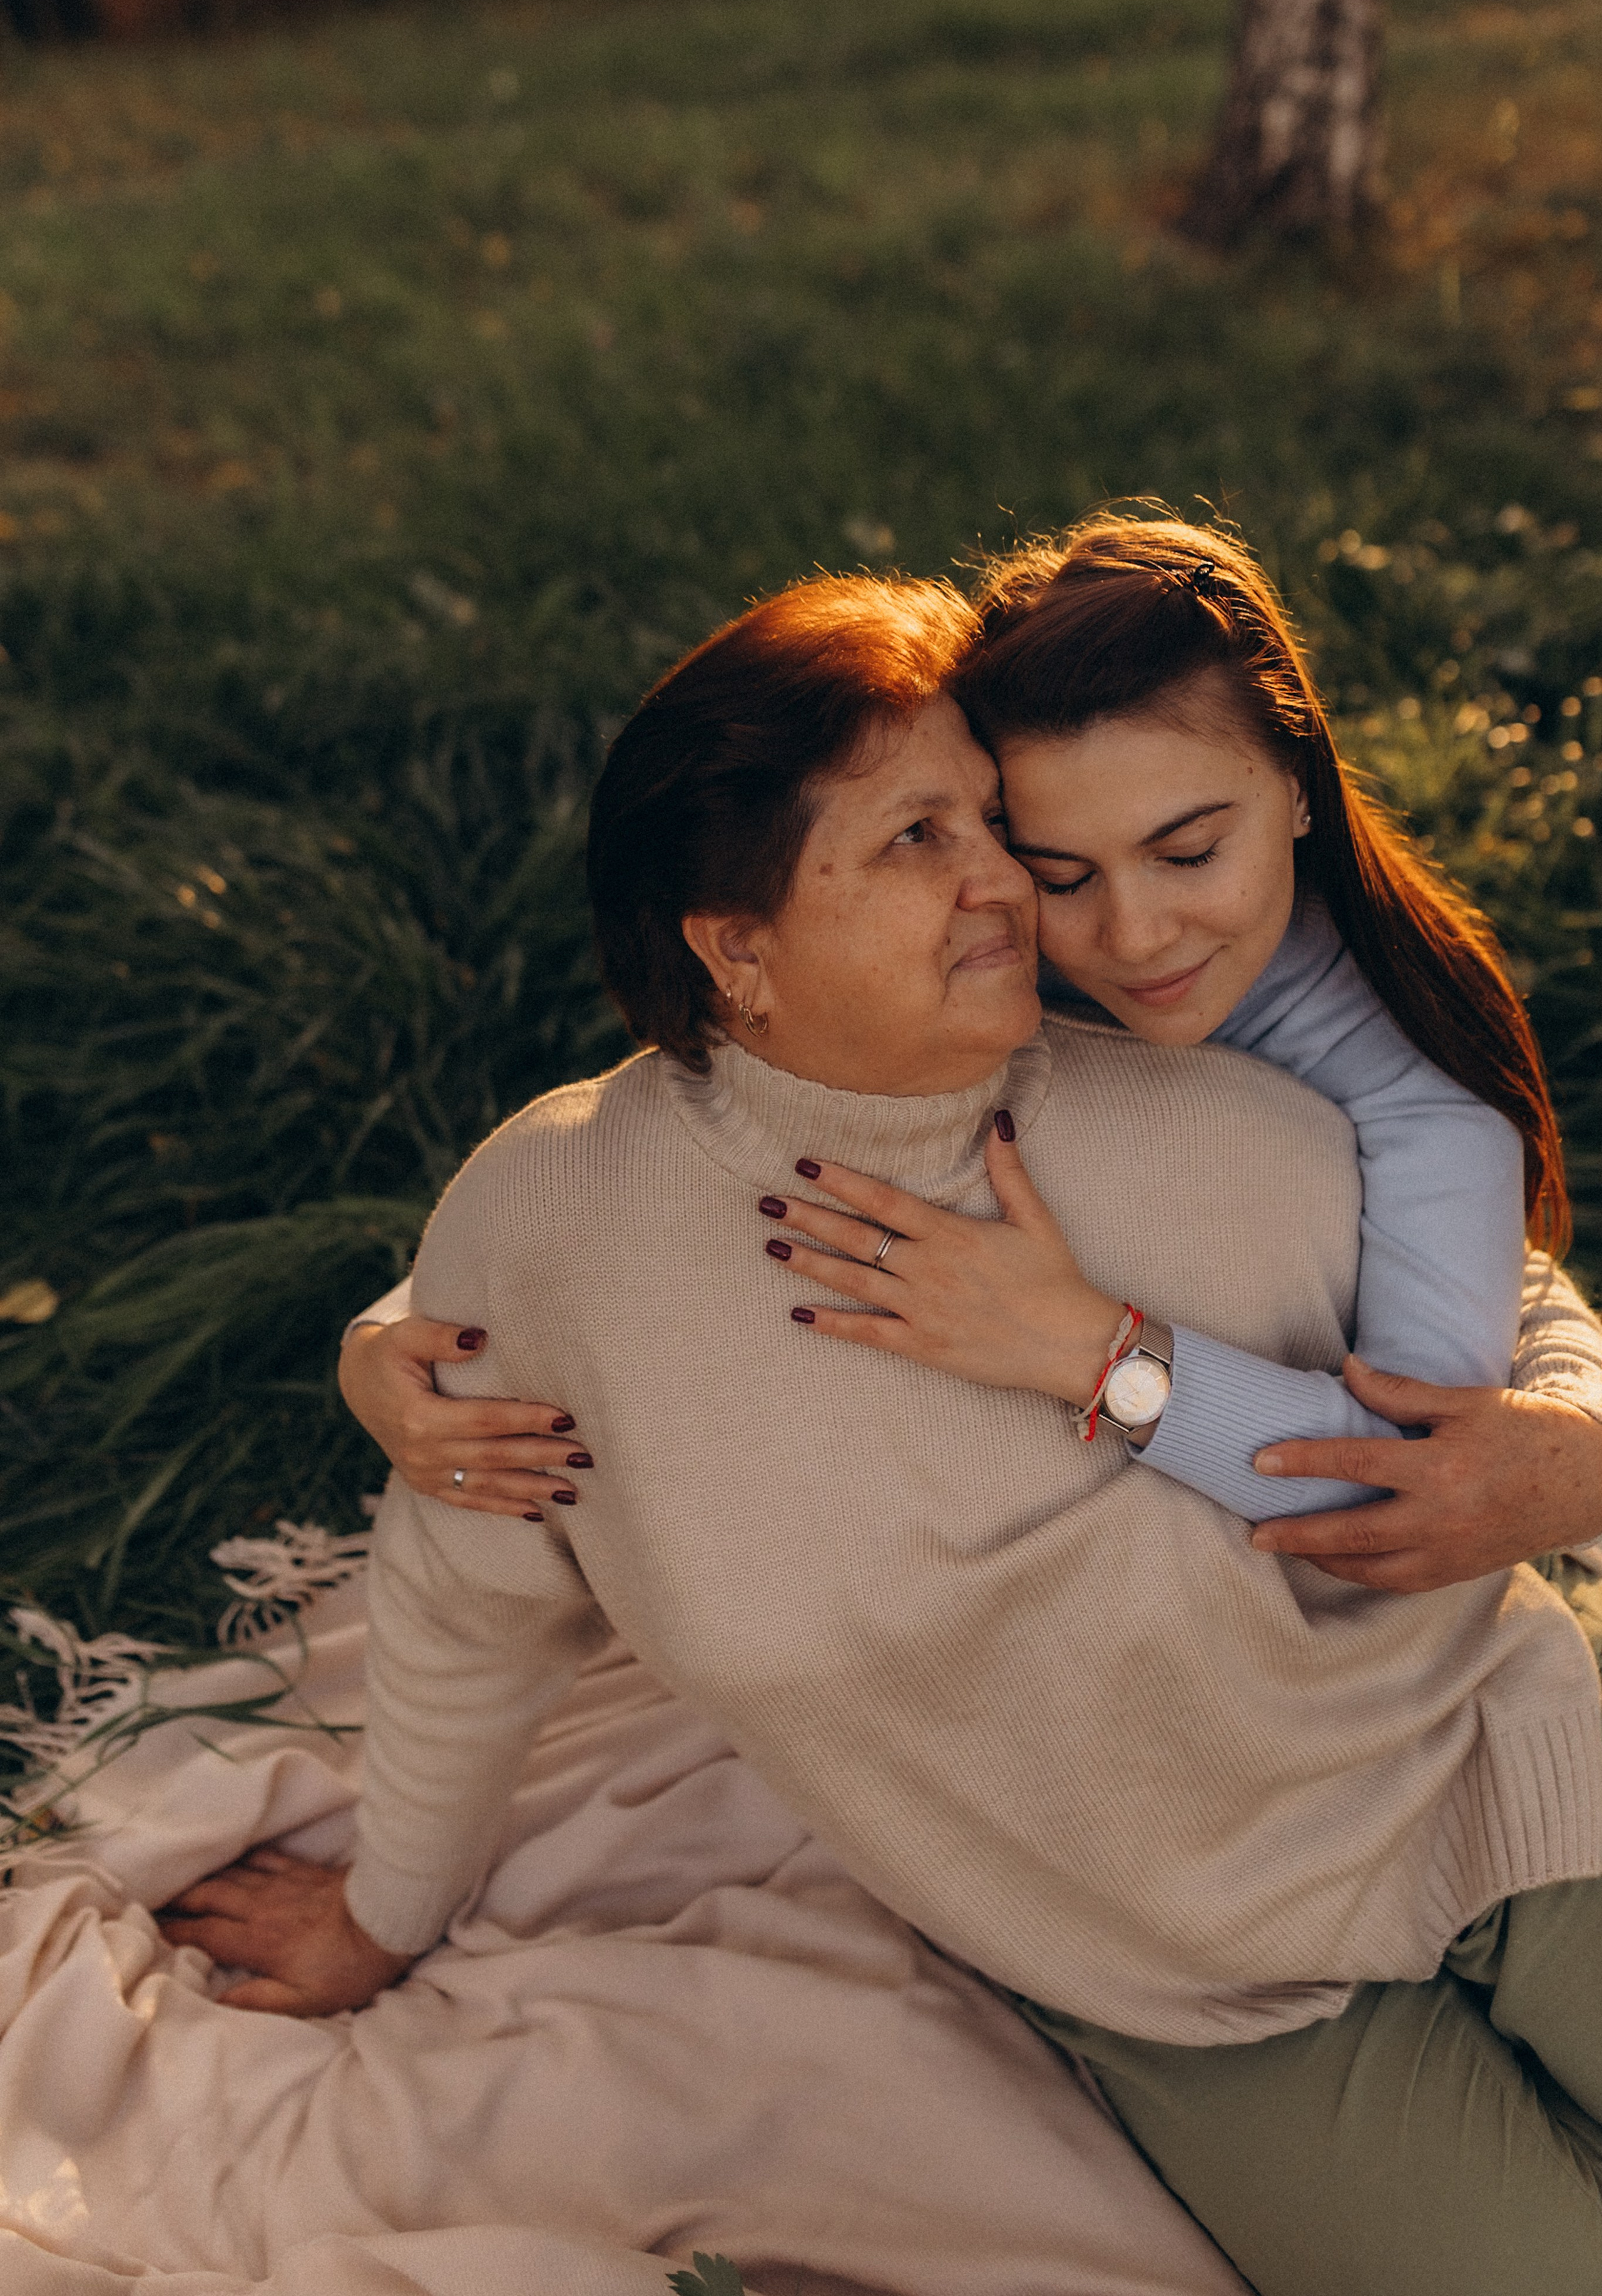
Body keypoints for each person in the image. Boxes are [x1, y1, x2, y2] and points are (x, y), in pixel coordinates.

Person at [166, 569, 1602, 2296]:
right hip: (1195, 1992)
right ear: (734, 947)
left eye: (993, 823)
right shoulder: (556, 1231)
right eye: (924, 838)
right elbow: (468, 1595)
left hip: (1503, 1771)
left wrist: (1567, 1443)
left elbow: (1497, 1305)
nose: (1015, 887)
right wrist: (382, 1914)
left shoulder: (1206, 1082)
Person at [341, 518, 1602, 1592]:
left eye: (1188, 852)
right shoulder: (1003, 939)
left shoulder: (1422, 1106)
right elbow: (738, 1123)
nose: (1132, 936)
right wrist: (399, 1331)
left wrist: (1087, 1352)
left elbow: (1408, 1496)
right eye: (1058, 869)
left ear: (1301, 785)